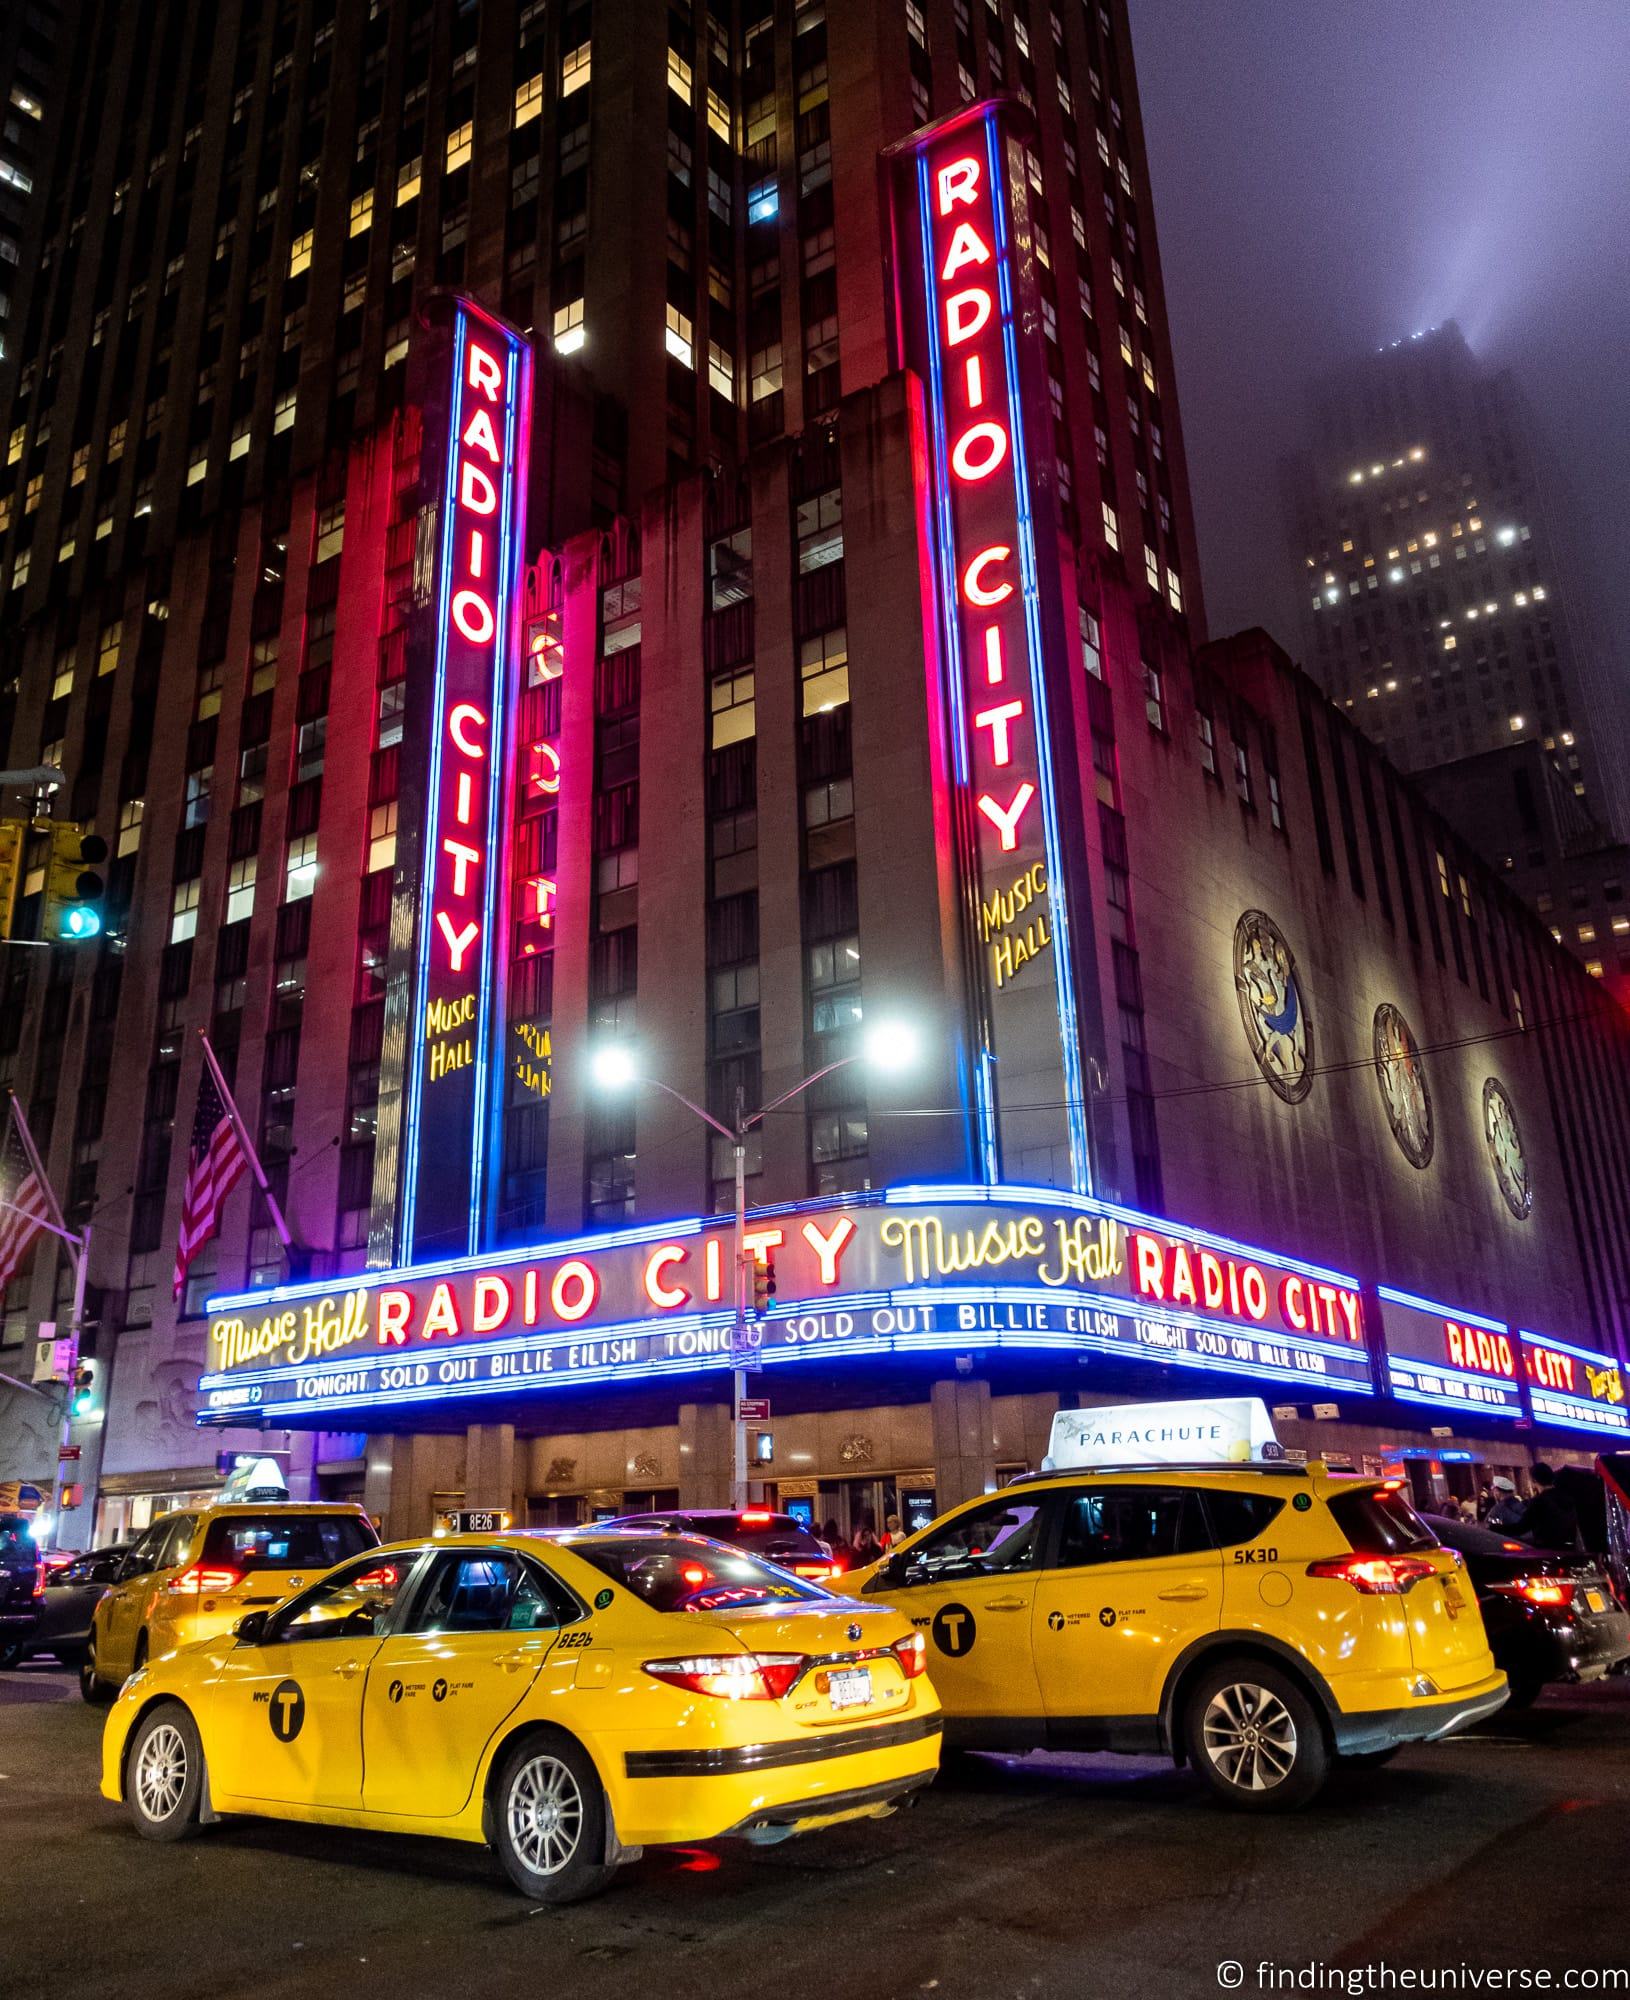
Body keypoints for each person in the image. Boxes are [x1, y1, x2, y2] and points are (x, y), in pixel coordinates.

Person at [1517, 1463, 1583, 1553]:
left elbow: (1521, 1528)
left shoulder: (1538, 1501)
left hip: (1548, 1552)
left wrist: (1494, 1528)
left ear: (1534, 1481)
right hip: (1570, 1550)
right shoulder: (1568, 1497)